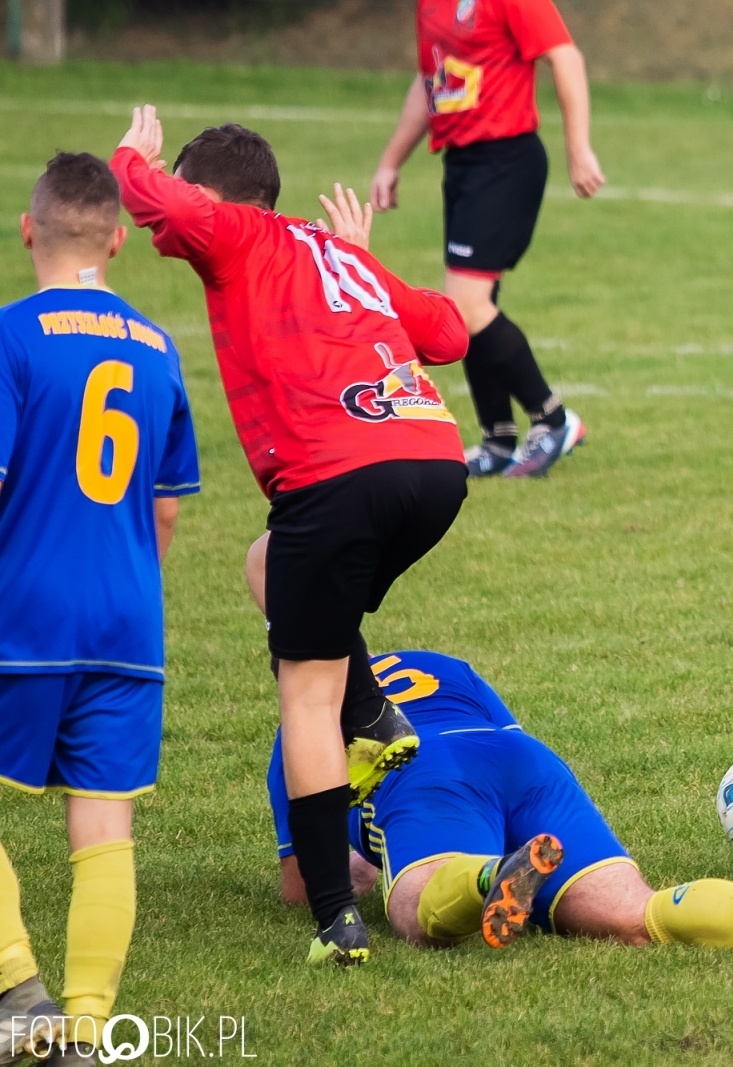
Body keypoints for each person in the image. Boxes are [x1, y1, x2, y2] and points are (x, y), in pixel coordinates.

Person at [111, 105, 470, 967]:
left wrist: (133, 156)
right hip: (433, 466)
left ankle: (337, 920)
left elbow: (161, 206)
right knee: (268, 565)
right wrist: (363, 256)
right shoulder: (331, 251)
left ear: (222, 199)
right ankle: (374, 709)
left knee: (303, 691)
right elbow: (449, 334)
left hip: (338, 476)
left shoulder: (237, 232)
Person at [262, 649, 733, 971]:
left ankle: (484, 875)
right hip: (523, 762)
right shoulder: (440, 665)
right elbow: (504, 736)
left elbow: (308, 885)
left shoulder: (306, 718)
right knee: (636, 915)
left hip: (428, 774)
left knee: (417, 916)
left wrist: (374, 859)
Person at [0, 152, 200, 1062]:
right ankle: (84, 1028)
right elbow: (164, 506)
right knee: (104, 823)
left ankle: (17, 991)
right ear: (119, 240)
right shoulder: (159, 348)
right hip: (129, 616)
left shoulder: (11, 337)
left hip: (25, 609)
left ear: (29, 229)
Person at [370, 0, 603, 478]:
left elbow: (566, 56)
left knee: (466, 306)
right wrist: (391, 160)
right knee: (467, 307)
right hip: (461, 164)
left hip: (506, 160)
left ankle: (554, 419)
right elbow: (429, 80)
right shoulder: (429, 6)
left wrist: (578, 149)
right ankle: (497, 440)